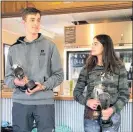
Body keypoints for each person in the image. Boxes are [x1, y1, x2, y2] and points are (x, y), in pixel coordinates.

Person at [4, 7, 64, 132]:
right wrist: (17, 82)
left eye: (38, 20)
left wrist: (42, 86)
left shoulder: (50, 46)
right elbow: (8, 77)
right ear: (24, 22)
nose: (36, 24)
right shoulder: (14, 49)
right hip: (20, 103)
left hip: (44, 103)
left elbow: (59, 75)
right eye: (32, 20)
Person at [73, 34, 129, 132]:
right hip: (90, 114)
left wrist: (112, 110)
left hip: (112, 114)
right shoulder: (87, 68)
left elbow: (125, 94)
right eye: (92, 44)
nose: (92, 47)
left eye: (95, 44)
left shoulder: (119, 67)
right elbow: (76, 92)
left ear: (105, 46)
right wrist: (87, 101)